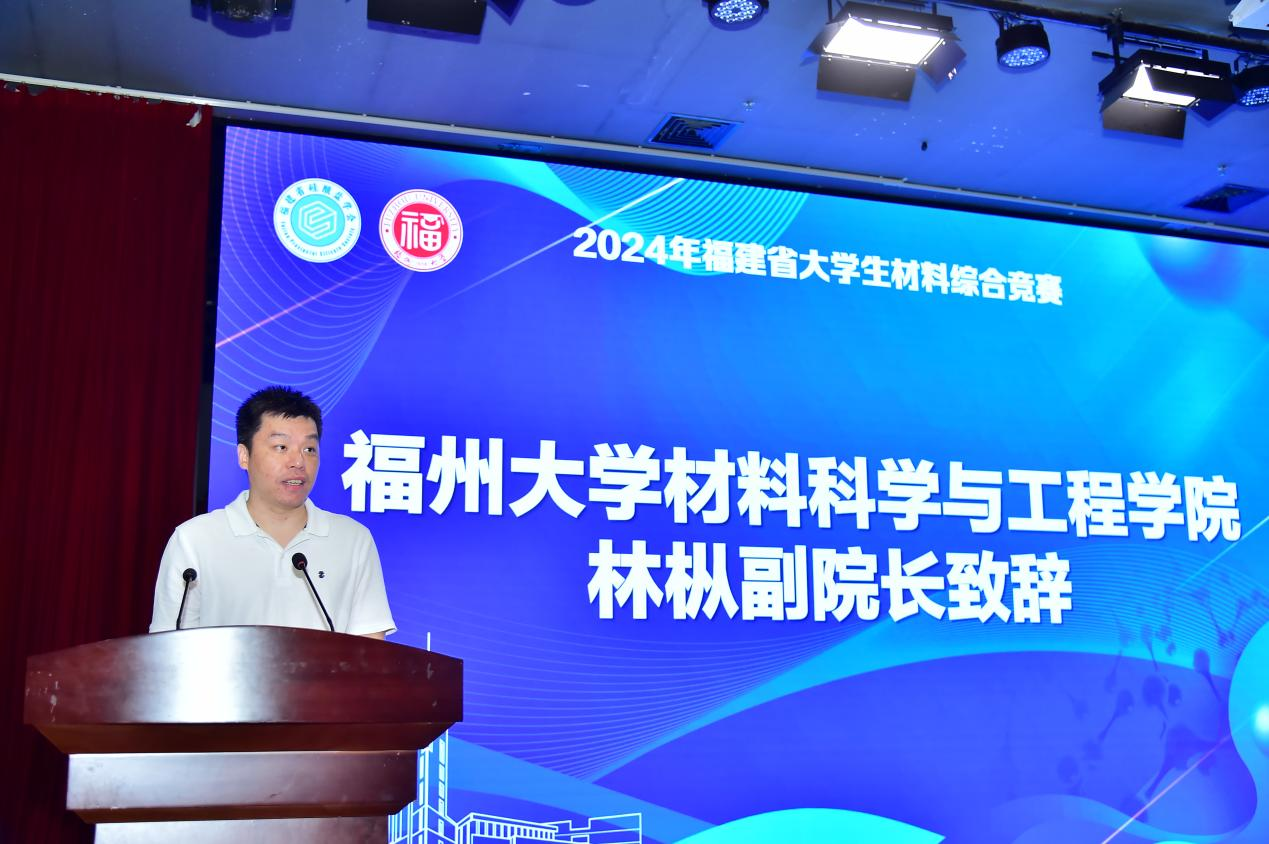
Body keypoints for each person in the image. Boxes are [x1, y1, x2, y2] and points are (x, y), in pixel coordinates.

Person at [150, 386, 395, 637]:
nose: (298, 462)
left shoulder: (353, 539)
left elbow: (370, 647)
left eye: (309, 449)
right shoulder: (194, 539)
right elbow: (168, 646)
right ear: (244, 455)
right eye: (281, 447)